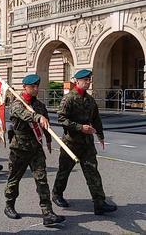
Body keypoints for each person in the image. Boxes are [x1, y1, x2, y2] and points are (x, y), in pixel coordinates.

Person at [52, 69, 117, 215]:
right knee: (64, 171)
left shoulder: (90, 100)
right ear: (77, 81)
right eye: (85, 80)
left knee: (92, 172)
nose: (88, 82)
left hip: (87, 144)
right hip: (71, 143)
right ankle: (57, 194)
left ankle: (99, 203)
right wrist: (81, 127)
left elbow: (96, 119)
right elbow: (61, 119)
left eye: (89, 80)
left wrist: (100, 135)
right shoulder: (68, 98)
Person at [4, 74, 65, 227]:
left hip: (35, 148)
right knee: (14, 179)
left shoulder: (39, 105)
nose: (36, 89)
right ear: (24, 87)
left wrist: (49, 140)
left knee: (41, 179)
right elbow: (26, 115)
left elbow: (46, 124)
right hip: (19, 149)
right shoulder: (17, 104)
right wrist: (37, 117)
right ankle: (9, 205)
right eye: (32, 87)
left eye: (37, 86)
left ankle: (47, 213)